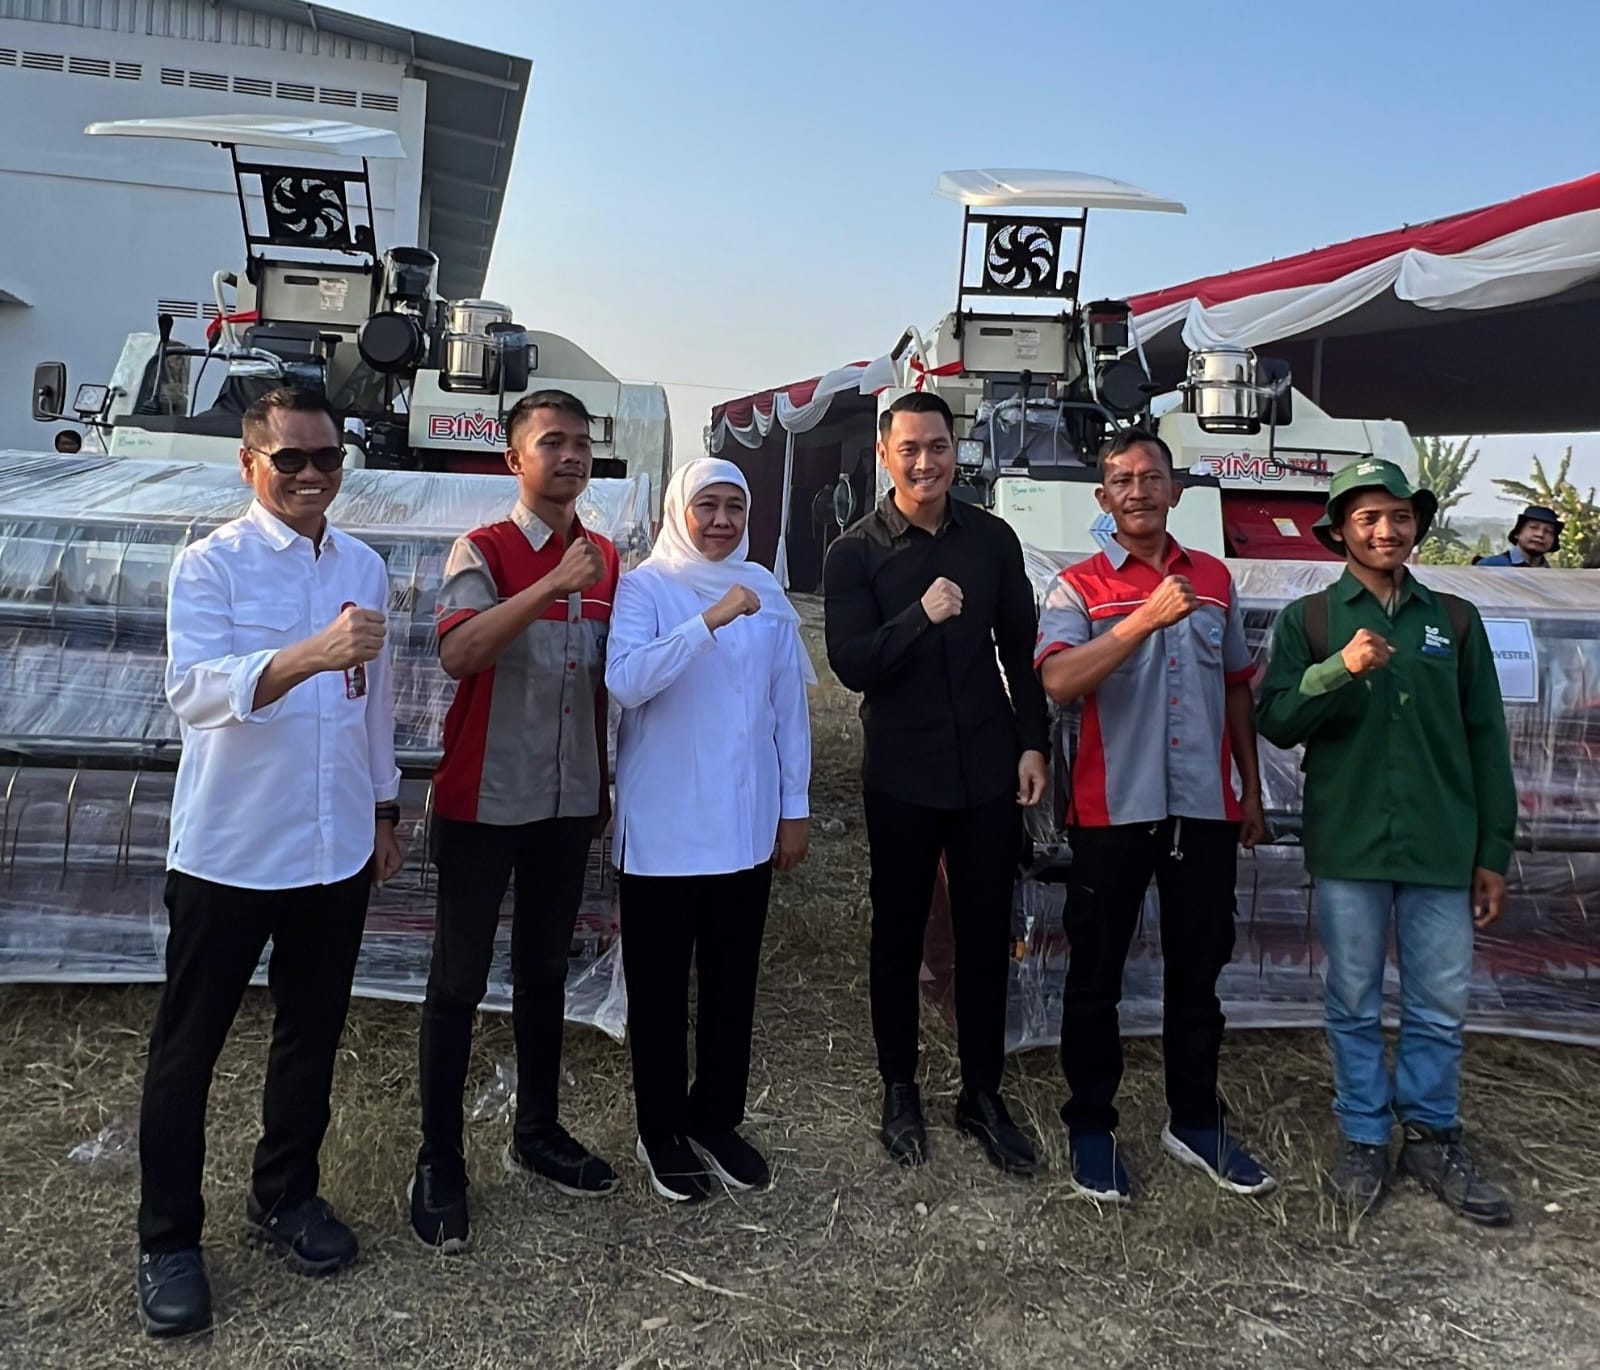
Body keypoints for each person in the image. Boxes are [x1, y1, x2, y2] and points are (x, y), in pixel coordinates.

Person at [136, 388, 403, 1338]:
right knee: (189, 1049)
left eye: (328, 458)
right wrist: (309, 654)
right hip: (233, 850)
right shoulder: (210, 564)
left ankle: (285, 1194)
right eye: (290, 458)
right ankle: (169, 1239)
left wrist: (383, 806)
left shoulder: (364, 567)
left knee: (310, 1033)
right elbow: (195, 692)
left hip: (332, 848)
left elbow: (374, 701)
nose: (311, 475)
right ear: (250, 463)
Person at [1257, 458, 1516, 1224]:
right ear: (1339, 530)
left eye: (1399, 516)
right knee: (1353, 999)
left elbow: (1486, 738)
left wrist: (1492, 852)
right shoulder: (1308, 620)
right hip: (1351, 843)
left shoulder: (1455, 620)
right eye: (1367, 517)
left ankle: (1432, 1137)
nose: (1386, 530)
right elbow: (1276, 721)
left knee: (1439, 1002)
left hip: (1442, 844)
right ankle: (1365, 1136)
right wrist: (1339, 668)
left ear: (1416, 526)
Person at [1035, 429, 1275, 1204]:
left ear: (1175, 491)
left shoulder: (1214, 580)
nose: (1137, 490)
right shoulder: (1075, 588)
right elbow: (1059, 683)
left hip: (1203, 809)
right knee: (1096, 977)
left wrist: (1250, 790)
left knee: (1199, 975)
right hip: (1111, 812)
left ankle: (1195, 1121)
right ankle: (1091, 1125)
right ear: (1103, 498)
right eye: (1122, 480)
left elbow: (1236, 686)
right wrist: (1142, 620)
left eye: (1151, 477)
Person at [409, 389, 620, 1253]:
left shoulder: (608, 558)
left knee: (542, 972)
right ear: (514, 459)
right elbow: (458, 652)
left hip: (567, 802)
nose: (571, 457)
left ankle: (537, 1130)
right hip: (484, 800)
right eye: (552, 442)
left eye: (582, 444)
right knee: (458, 982)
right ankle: (439, 1161)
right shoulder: (484, 549)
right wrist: (549, 587)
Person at [822, 390, 1049, 1175]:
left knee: (987, 934)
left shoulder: (991, 539)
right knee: (899, 933)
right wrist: (920, 613)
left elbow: (1020, 650)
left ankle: (982, 1092)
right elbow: (851, 663)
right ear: (884, 456)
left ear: (958, 452)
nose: (926, 463)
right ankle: (900, 1088)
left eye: (939, 447)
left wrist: (1032, 744)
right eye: (910, 449)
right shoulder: (855, 552)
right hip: (903, 772)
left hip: (987, 766)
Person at [606, 458, 814, 1202]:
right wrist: (709, 621)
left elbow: (787, 708)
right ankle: (660, 1129)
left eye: (735, 507)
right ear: (678, 511)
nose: (722, 521)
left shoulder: (764, 590)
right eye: (707, 506)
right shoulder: (646, 587)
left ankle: (717, 1118)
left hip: (744, 827)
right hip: (663, 831)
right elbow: (627, 681)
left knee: (731, 986)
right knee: (660, 991)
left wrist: (795, 806)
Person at [1474, 504, 1562, 567]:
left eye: (1548, 531)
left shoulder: (1553, 576)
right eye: (1533, 527)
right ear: (1517, 533)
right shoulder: (1491, 566)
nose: (1540, 534)